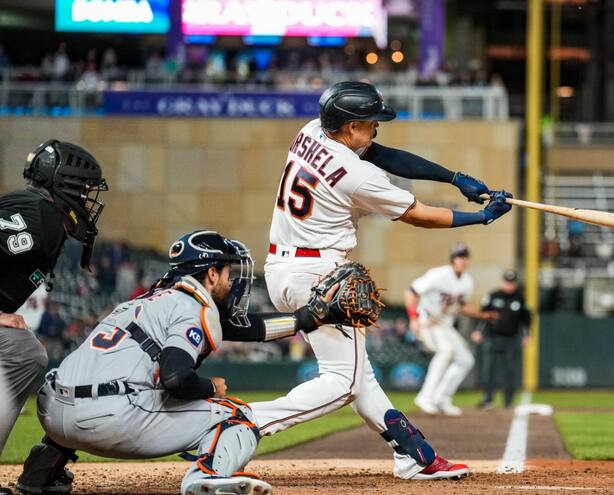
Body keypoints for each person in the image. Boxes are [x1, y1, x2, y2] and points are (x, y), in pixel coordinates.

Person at [250, 81, 512, 481]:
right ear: (351, 126)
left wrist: (454, 178)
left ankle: (414, 453)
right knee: (343, 382)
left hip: (283, 268)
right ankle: (242, 422)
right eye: (371, 122)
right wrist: (482, 217)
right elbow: (419, 214)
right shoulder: (356, 176)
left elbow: (386, 156)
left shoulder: (311, 131)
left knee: (358, 374)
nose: (376, 128)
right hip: (319, 276)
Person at [15, 230, 334, 495]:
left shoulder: (149, 300)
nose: (230, 280)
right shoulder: (193, 305)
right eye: (227, 272)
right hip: (108, 418)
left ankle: (40, 475)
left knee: (79, 385)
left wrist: (304, 319)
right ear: (211, 273)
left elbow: (244, 327)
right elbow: (176, 378)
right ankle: (207, 477)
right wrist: (211, 387)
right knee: (237, 415)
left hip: (54, 412)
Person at [0, 141, 108, 473]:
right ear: (67, 185)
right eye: (84, 190)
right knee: (22, 353)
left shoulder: (39, 213)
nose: (88, 201)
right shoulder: (40, 214)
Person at [405, 244, 495, 416]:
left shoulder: (467, 282)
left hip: (445, 325)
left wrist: (482, 315)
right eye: (459, 257)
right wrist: (413, 318)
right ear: (453, 259)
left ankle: (442, 399)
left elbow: (461, 306)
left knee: (466, 360)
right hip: (427, 321)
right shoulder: (438, 274)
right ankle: (425, 397)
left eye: (464, 257)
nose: (462, 260)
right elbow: (411, 292)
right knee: (446, 351)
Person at [471, 270, 531, 410]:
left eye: (512, 282)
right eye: (507, 282)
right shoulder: (492, 296)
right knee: (488, 369)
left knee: (510, 370)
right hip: (492, 338)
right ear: (502, 281)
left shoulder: (520, 298)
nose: (509, 285)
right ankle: (488, 399)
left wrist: (527, 335)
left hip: (511, 339)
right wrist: (478, 331)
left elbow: (526, 320)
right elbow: (483, 315)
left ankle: (508, 401)